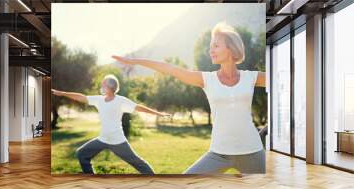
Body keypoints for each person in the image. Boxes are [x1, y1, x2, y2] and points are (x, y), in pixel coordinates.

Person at [112, 22, 266, 174]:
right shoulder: (207, 79)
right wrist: (135, 61)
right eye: (210, 46)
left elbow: (284, 78)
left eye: (216, 46)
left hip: (252, 152)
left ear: (231, 48)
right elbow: (170, 69)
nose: (210, 50)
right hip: (219, 153)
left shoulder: (251, 77)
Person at [52, 74, 169, 174]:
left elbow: (139, 107)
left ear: (109, 87)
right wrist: (62, 93)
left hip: (117, 140)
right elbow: (81, 97)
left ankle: (154, 180)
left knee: (137, 162)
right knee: (82, 154)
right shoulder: (99, 99)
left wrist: (158, 113)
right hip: (103, 139)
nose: (101, 86)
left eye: (103, 84)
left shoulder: (121, 101)